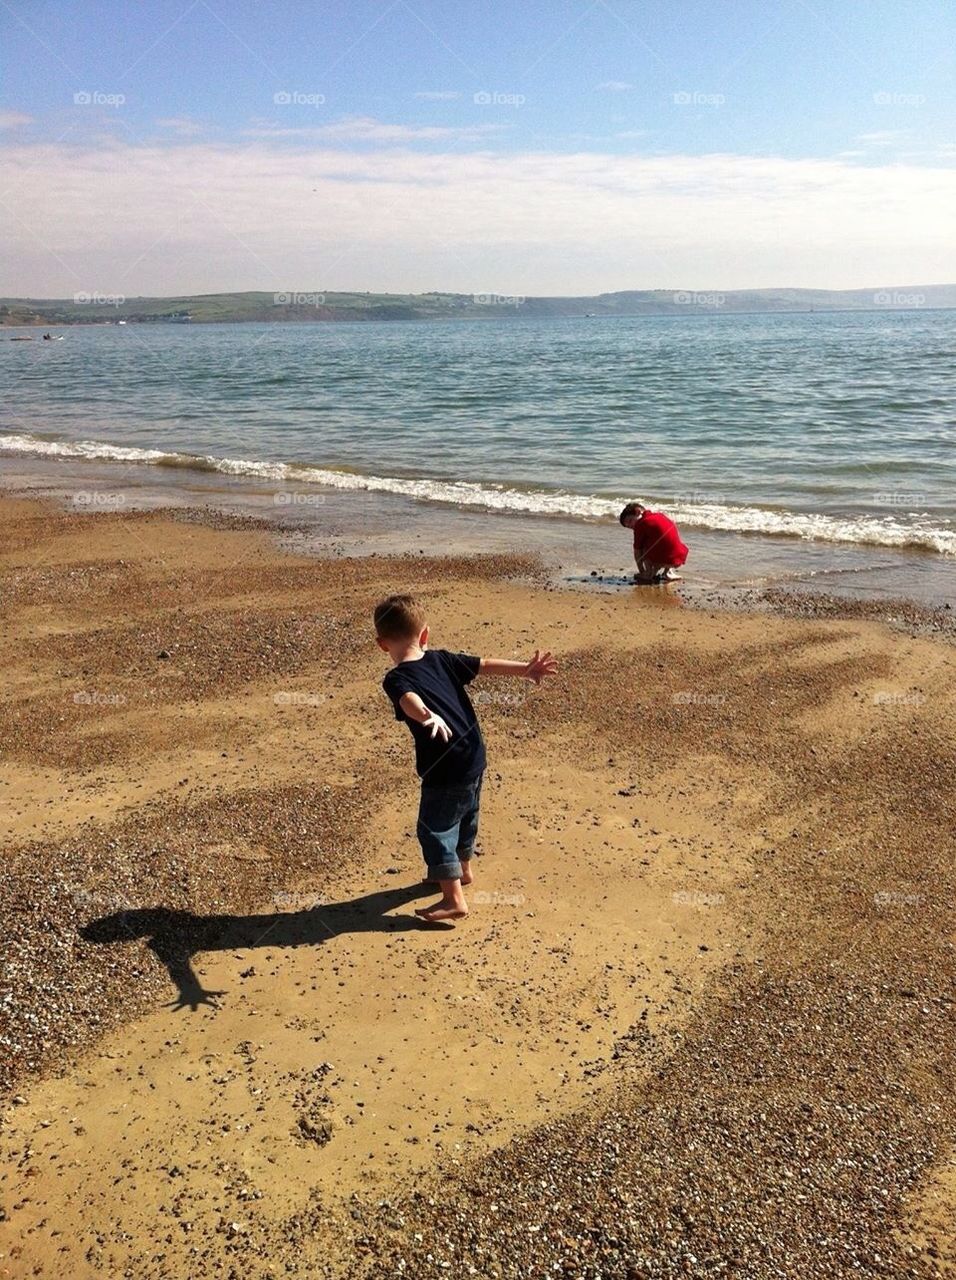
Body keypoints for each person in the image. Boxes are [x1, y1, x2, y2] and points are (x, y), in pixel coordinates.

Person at [374, 594, 557, 924]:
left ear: (382, 644)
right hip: (473, 753)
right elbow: (484, 664)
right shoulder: (442, 659)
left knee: (435, 828)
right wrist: (525, 670)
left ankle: (453, 899)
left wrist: (427, 715)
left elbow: (407, 699)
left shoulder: (395, 678)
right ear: (425, 634)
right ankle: (463, 870)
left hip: (444, 766)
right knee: (466, 814)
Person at [619, 501, 688, 583]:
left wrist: (641, 571)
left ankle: (648, 573)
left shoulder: (641, 524)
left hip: (663, 559)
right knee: (661, 542)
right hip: (678, 558)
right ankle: (667, 572)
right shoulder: (660, 515)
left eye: (630, 521)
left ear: (638, 511)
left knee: (642, 546)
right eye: (629, 527)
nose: (631, 526)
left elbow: (637, 551)